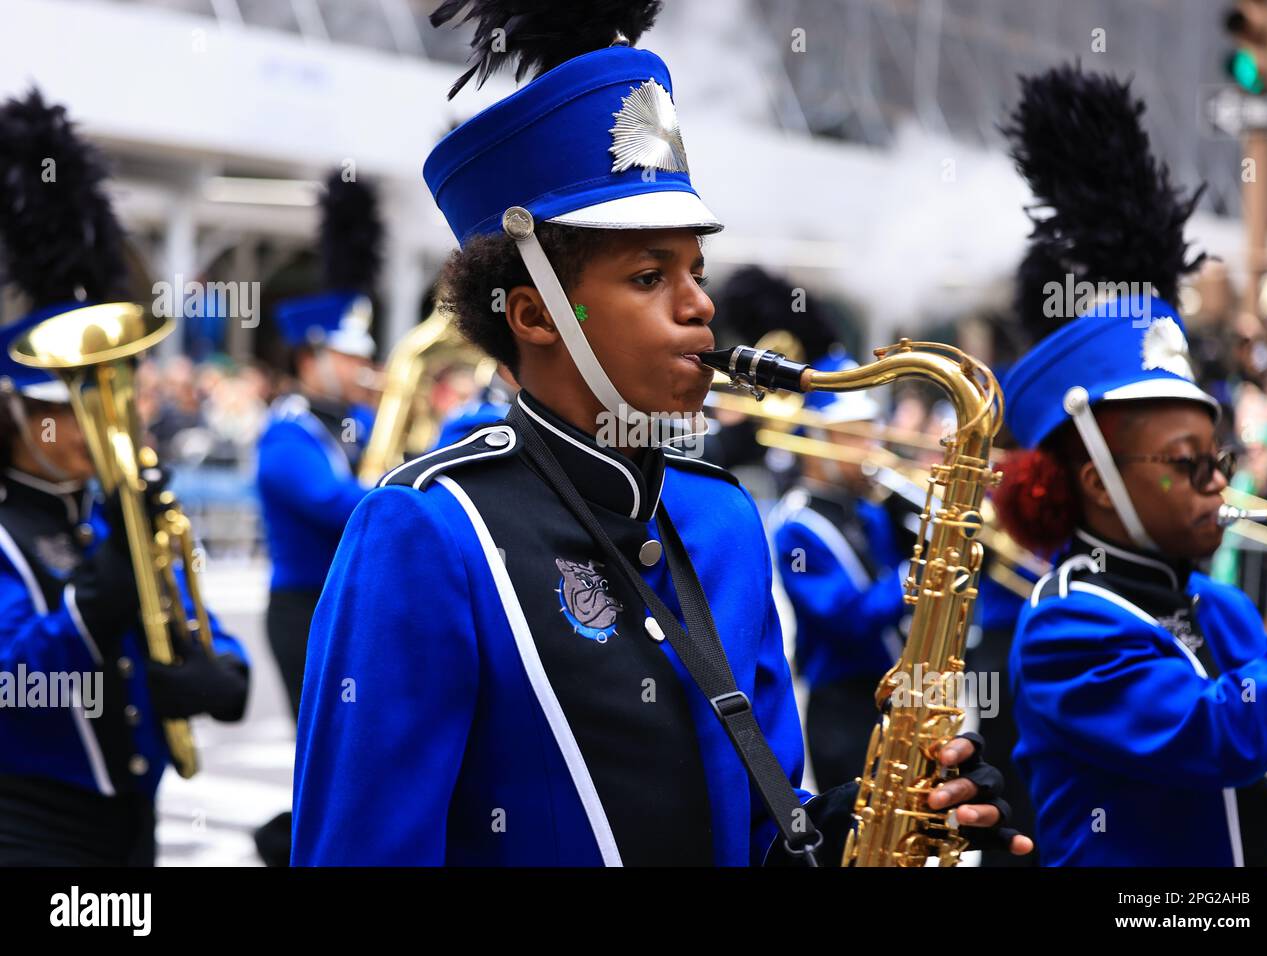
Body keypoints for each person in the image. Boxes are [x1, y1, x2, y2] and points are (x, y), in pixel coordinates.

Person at [292, 1, 1030, 866]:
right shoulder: (428, 529)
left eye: (696, 269)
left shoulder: (721, 519)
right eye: (651, 274)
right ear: (534, 313)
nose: (700, 305)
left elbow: (759, 829)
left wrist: (854, 829)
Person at [993, 64, 1267, 866]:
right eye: (1186, 464)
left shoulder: (1222, 607)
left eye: (1217, 459)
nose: (1217, 483)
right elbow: (1221, 732)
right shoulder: (1067, 626)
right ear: (1098, 480)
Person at [0, 89, 249, 866]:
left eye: (105, 400)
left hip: (132, 825)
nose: (93, 428)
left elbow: (172, 603)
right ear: (14, 411)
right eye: (67, 408)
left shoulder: (112, 506)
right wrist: (93, 608)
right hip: (29, 825)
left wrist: (220, 665)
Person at [253, 174, 381, 863]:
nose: (363, 367)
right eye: (348, 356)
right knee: (327, 745)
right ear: (311, 357)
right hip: (302, 607)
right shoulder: (287, 433)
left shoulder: (361, 420)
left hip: (356, 602)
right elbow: (340, 504)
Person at [768, 384, 908, 792]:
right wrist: (915, 574)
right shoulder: (796, 525)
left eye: (872, 432)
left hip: (894, 693)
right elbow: (846, 618)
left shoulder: (868, 510)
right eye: (856, 435)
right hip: (843, 703)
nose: (872, 448)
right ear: (817, 443)